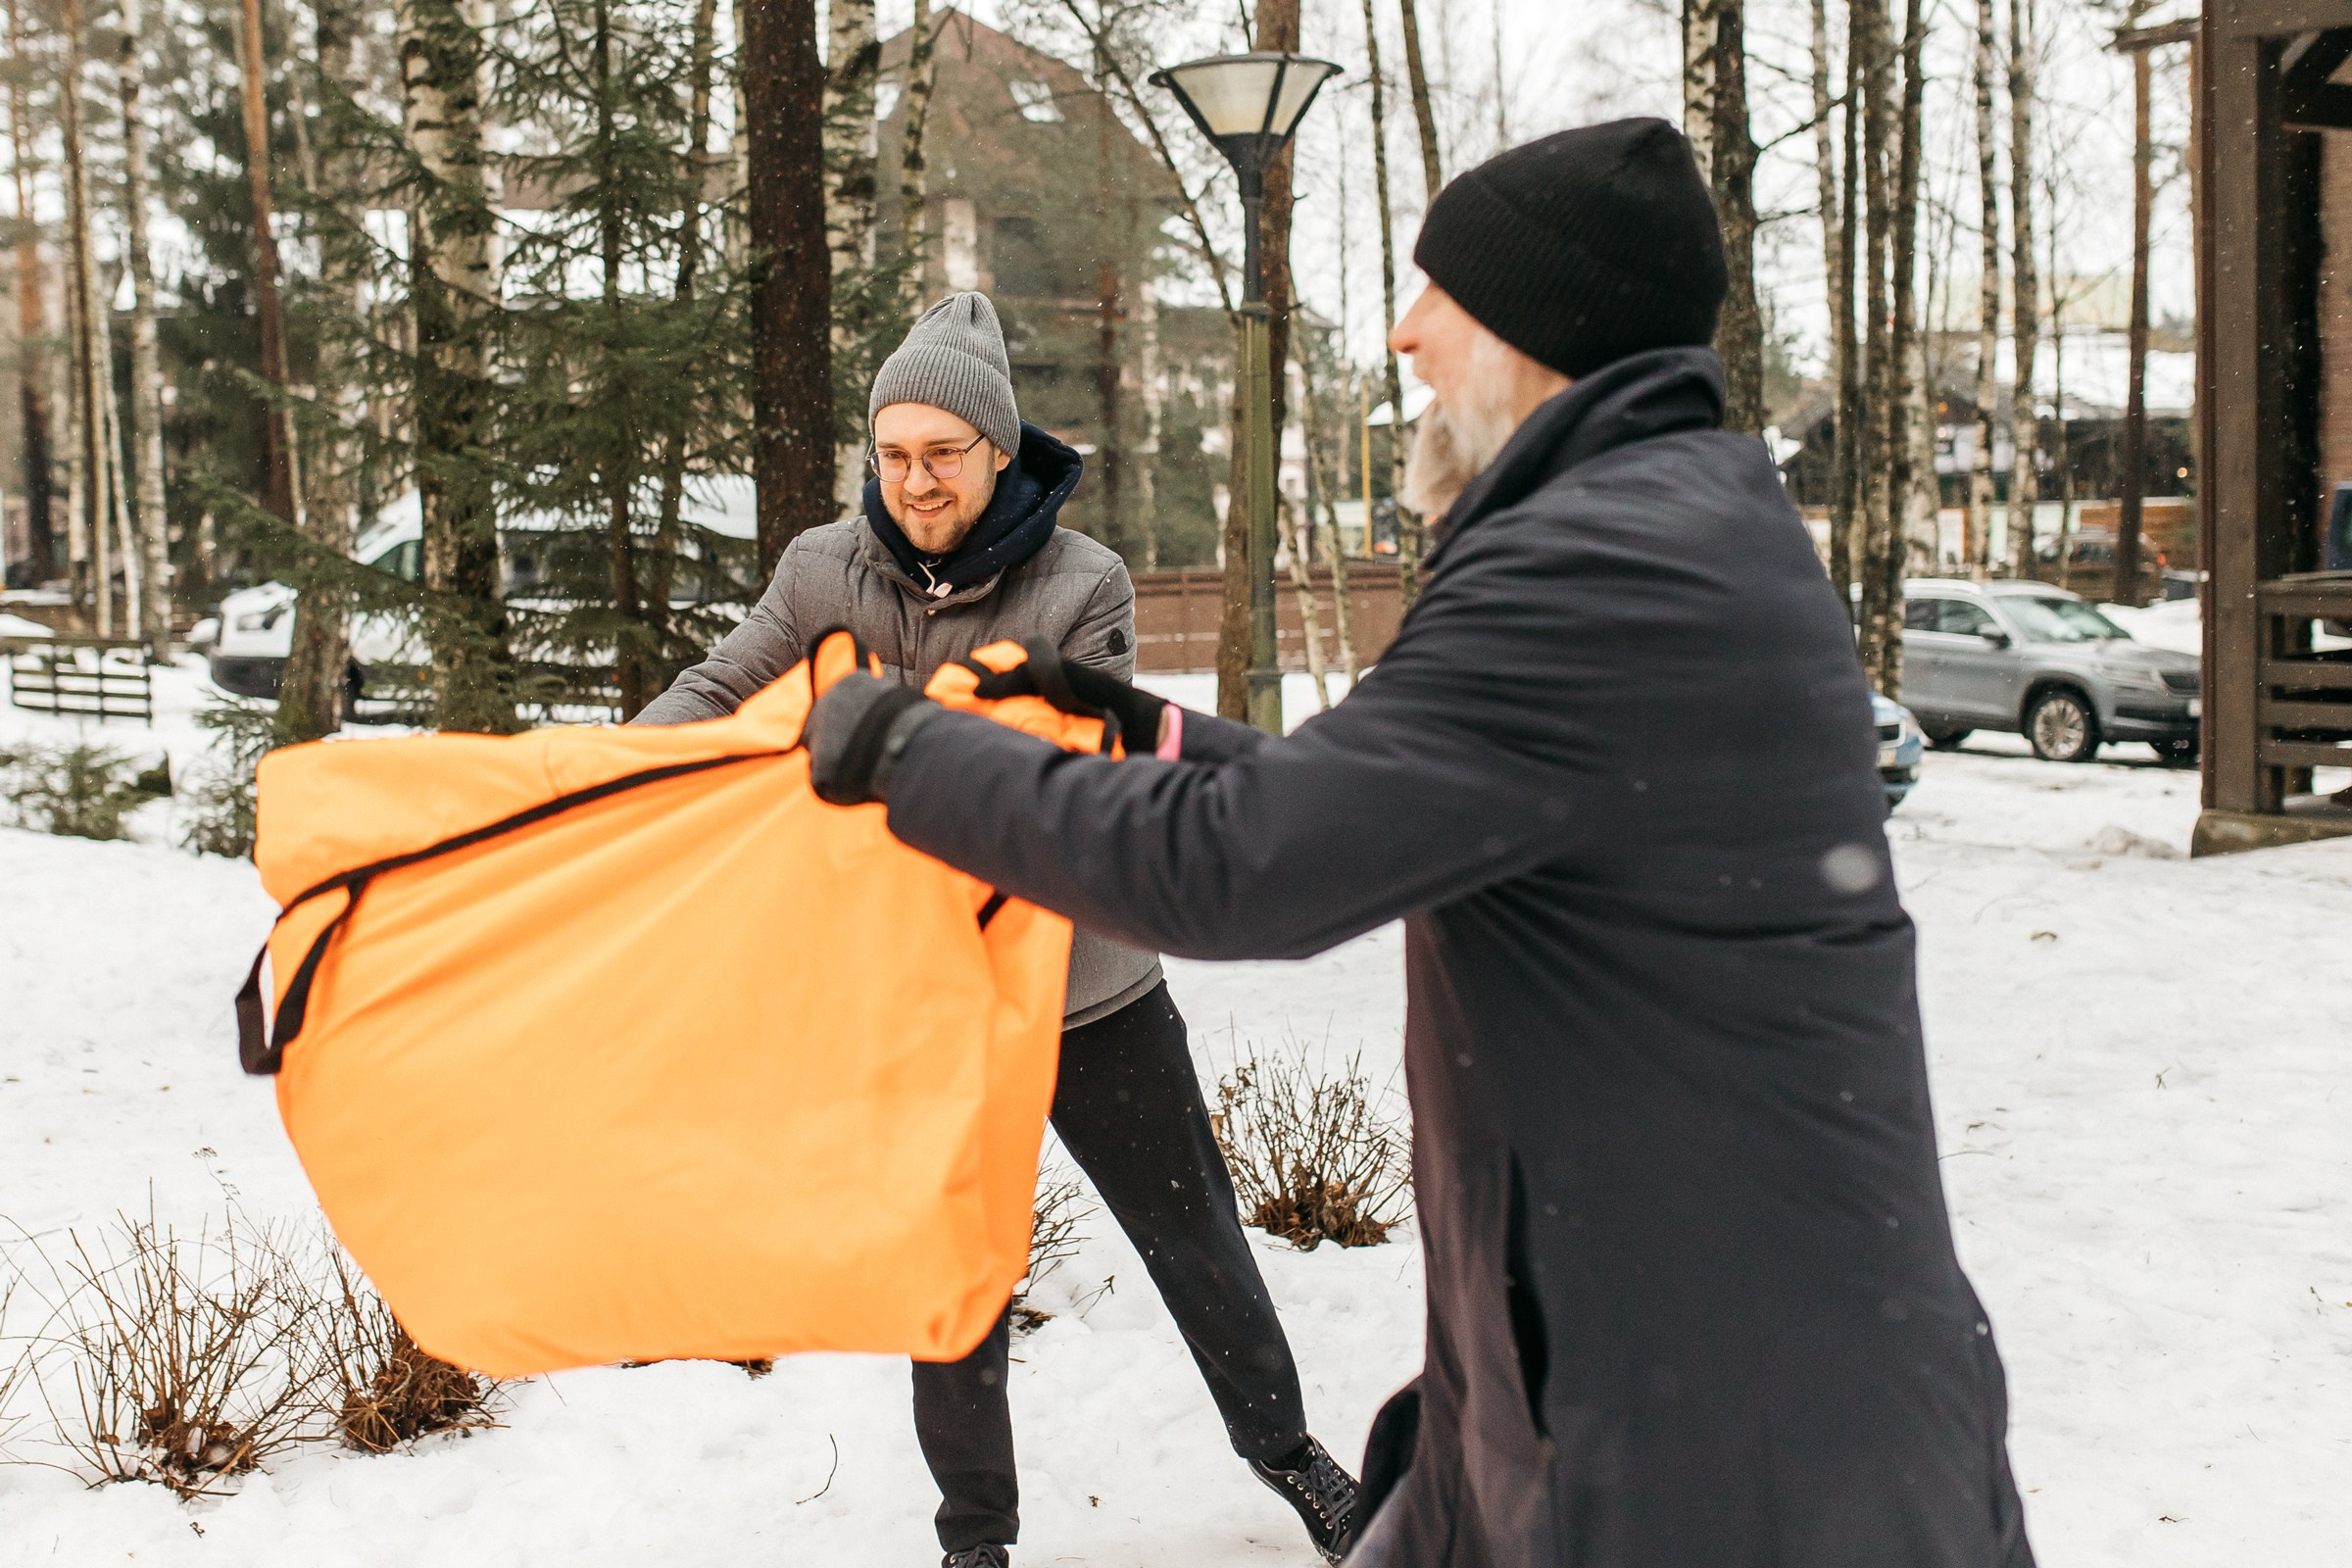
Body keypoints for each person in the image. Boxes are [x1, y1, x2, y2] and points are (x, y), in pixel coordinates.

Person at [801, 122, 2038, 1567]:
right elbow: (1386, 794)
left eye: (1440, 296)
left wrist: (899, 751)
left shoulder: (1597, 570)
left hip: (1709, 1431)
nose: (1405, 335)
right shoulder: (1663, 526)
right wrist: (1136, 726)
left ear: (1535, 330)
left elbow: (1252, 868)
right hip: (1625, 1352)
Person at [633, 293, 1360, 1568]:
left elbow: (1082, 760)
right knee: (954, 1283)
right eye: (893, 454)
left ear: (998, 453)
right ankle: (976, 1542)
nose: (914, 481)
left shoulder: (1082, 586)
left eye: (942, 455)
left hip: (1086, 989)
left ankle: (1296, 1462)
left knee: (1190, 1235)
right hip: (922, 997)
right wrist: (597, 774)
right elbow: (720, 685)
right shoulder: (822, 569)